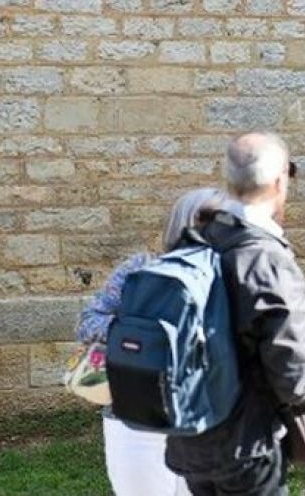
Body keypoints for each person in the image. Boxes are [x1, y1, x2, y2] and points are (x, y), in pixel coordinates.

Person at [165, 132, 305, 496]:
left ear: (228, 181)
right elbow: (291, 363)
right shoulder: (266, 259)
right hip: (246, 445)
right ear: (279, 182)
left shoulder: (195, 241)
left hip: (192, 436)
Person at [75, 187, 226, 496]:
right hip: (135, 424)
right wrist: (144, 335)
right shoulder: (139, 271)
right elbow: (88, 323)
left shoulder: (235, 276)